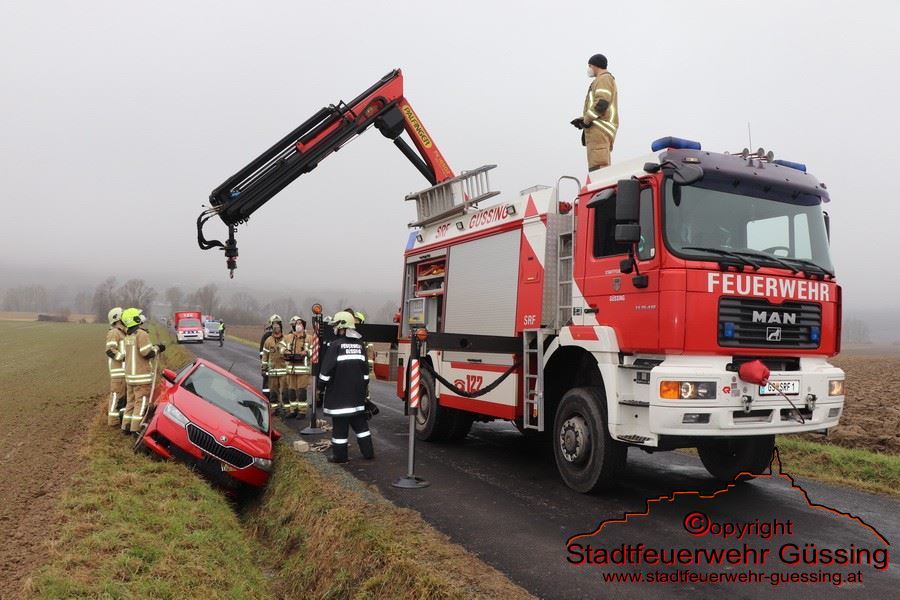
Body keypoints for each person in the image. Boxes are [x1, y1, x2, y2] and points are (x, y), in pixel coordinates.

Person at [318, 311, 374, 463]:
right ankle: (368, 453)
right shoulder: (360, 345)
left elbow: (325, 372)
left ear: (342, 326)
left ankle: (340, 456)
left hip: (338, 396)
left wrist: (320, 388)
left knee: (340, 428)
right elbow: (365, 374)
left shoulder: (335, 345)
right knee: (361, 425)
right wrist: (363, 390)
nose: (334, 329)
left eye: (336, 326)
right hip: (357, 396)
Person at [571, 53, 619, 171]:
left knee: (599, 168)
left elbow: (602, 103)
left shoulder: (603, 79)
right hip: (599, 128)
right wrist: (583, 120)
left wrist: (586, 120)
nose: (588, 69)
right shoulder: (603, 79)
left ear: (595, 66)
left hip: (600, 129)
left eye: (589, 65)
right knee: (597, 164)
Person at [121, 308, 165, 434]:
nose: (141, 317)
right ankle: (136, 429)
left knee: (130, 403)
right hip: (141, 377)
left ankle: (126, 427)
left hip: (130, 377)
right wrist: (158, 348)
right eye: (139, 315)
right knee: (141, 404)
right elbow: (146, 353)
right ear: (135, 319)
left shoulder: (128, 336)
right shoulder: (142, 334)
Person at [280, 316, 311, 418]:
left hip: (303, 369)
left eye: (300, 323)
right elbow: (281, 346)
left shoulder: (309, 338)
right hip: (291, 369)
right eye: (296, 323)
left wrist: (306, 352)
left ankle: (302, 412)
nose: (298, 325)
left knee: (302, 391)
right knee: (291, 390)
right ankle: (293, 411)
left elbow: (314, 351)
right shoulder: (288, 337)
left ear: (303, 326)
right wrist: (286, 351)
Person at [104, 307, 127, 427]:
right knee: (116, 396)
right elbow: (110, 350)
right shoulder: (114, 332)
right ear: (117, 318)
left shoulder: (122, 333)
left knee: (122, 398)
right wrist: (124, 358)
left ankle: (119, 420)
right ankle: (112, 422)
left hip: (124, 372)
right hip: (118, 372)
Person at [262, 316, 287, 414]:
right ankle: (275, 409)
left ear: (281, 327)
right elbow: (265, 355)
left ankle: (286, 409)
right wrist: (264, 368)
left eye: (278, 326)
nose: (276, 328)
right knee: (273, 392)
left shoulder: (286, 339)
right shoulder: (268, 340)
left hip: (284, 370)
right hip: (272, 371)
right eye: (274, 326)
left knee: (285, 391)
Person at [259, 316, 275, 397]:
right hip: (268, 366)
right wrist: (264, 366)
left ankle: (274, 403)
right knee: (266, 385)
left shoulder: (281, 337)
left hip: (277, 366)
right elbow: (262, 353)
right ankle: (266, 400)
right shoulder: (266, 336)